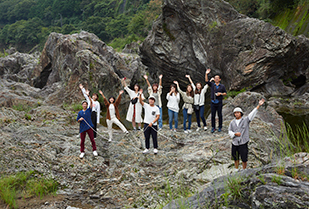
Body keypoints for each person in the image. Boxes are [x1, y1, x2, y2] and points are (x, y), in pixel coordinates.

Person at [228, 98, 265, 170]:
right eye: (235, 113)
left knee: (244, 157)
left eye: (238, 112)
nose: (236, 114)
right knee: (235, 157)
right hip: (235, 142)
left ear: (241, 113)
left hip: (243, 142)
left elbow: (252, 114)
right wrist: (235, 134)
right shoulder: (232, 122)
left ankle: (244, 170)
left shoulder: (245, 120)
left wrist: (258, 106)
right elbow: (229, 131)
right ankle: (236, 169)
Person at [77, 84, 98, 159]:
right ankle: (82, 152)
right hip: (82, 128)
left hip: (89, 127)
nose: (85, 105)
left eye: (86, 104)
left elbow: (91, 103)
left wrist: (88, 96)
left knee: (92, 139)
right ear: (82, 105)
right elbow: (77, 120)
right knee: (82, 141)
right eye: (83, 104)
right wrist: (80, 119)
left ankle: (94, 150)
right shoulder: (80, 112)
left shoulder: (89, 110)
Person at [138, 89, 160, 154]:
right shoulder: (146, 105)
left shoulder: (156, 108)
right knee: (146, 136)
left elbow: (158, 116)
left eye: (152, 100)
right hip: (146, 124)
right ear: (149, 100)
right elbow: (140, 101)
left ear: (154, 101)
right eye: (150, 99)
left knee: (154, 137)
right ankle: (147, 148)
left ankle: (155, 148)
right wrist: (140, 94)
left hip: (154, 125)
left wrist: (152, 123)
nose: (151, 101)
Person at [205, 69, 227, 133]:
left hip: (219, 102)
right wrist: (206, 74)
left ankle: (220, 127)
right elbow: (206, 81)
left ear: (220, 79)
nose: (216, 79)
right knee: (213, 115)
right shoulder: (212, 85)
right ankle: (213, 127)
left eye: (218, 78)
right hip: (213, 102)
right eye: (215, 78)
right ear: (214, 79)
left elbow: (225, 93)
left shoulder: (222, 86)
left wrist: (221, 94)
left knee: (220, 115)